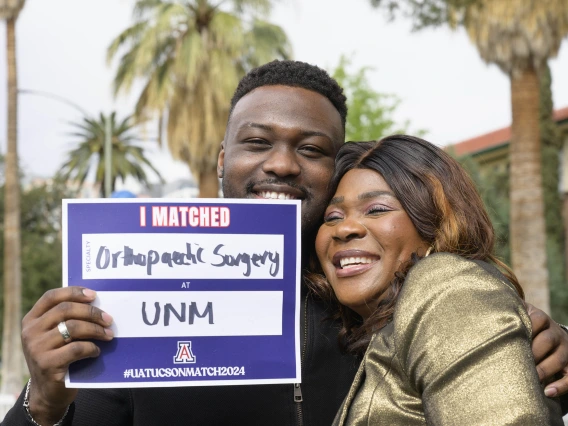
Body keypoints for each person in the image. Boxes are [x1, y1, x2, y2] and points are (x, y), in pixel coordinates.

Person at [3, 61, 568, 426]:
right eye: (257, 143)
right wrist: (45, 403)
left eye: (312, 150)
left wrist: (541, 346)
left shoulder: (381, 296)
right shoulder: (130, 301)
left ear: (336, 166)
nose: (281, 164)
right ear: (224, 162)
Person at [311, 136, 563, 424]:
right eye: (332, 216)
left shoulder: (448, 285)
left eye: (377, 209)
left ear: (436, 223)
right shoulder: (379, 334)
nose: (344, 228)